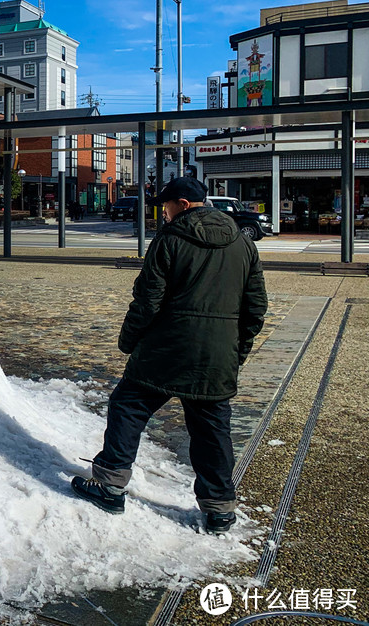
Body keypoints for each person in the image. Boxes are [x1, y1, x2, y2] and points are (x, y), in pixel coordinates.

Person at [71, 177, 268, 535]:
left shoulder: (171, 239)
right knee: (212, 430)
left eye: (167, 206)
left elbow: (148, 299)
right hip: (216, 357)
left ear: (184, 204)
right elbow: (256, 308)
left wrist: (129, 341)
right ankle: (219, 509)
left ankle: (110, 485)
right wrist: (236, 352)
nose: (164, 212)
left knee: (128, 406)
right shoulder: (243, 243)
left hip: (165, 348)